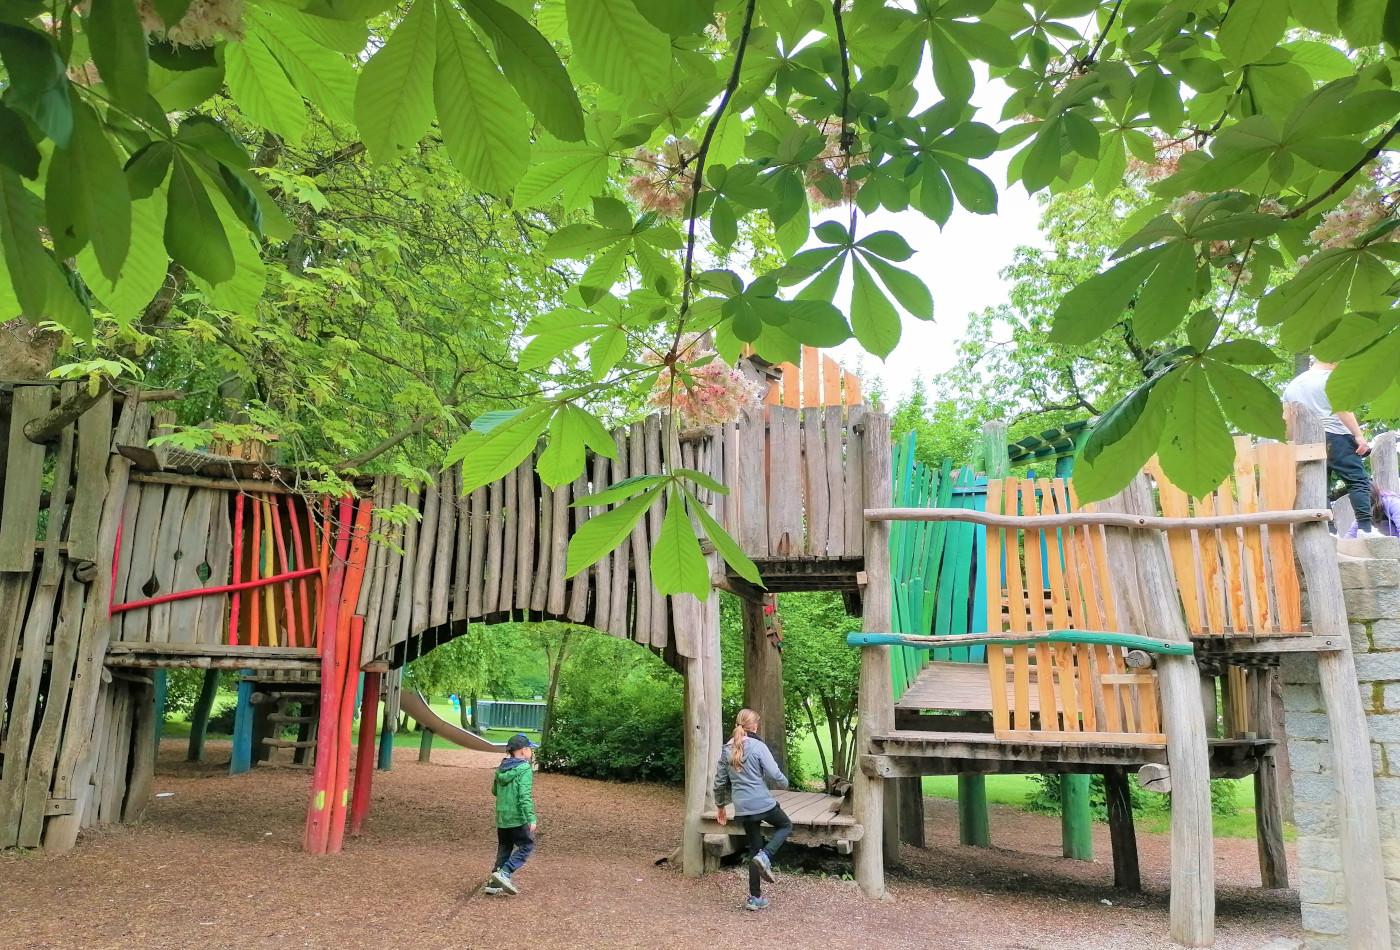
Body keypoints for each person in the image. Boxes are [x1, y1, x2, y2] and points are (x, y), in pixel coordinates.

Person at [1282, 360, 1383, 537]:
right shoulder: (1330, 379)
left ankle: (1327, 531)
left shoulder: (1292, 386)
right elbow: (1342, 409)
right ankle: (1365, 529)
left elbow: (1287, 419)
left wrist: (1293, 443)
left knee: (1319, 484)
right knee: (1357, 480)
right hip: (1336, 435)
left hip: (1306, 439)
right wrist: (1358, 435)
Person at [714, 708, 790, 911]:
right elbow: (774, 773)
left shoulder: (726, 749)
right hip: (763, 803)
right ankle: (766, 856)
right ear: (754, 726)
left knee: (753, 849)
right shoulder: (758, 746)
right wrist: (785, 783)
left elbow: (720, 782)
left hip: (742, 808)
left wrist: (720, 806)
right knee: (785, 825)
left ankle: (755, 898)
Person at [485, 733, 538, 896]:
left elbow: (494, 791)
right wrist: (531, 817)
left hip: (502, 818)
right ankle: (504, 873)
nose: (532, 753)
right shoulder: (524, 769)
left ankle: (494, 884)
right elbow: (524, 796)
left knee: (505, 847)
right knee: (526, 845)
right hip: (517, 817)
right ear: (523, 751)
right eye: (530, 749)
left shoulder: (502, 767)